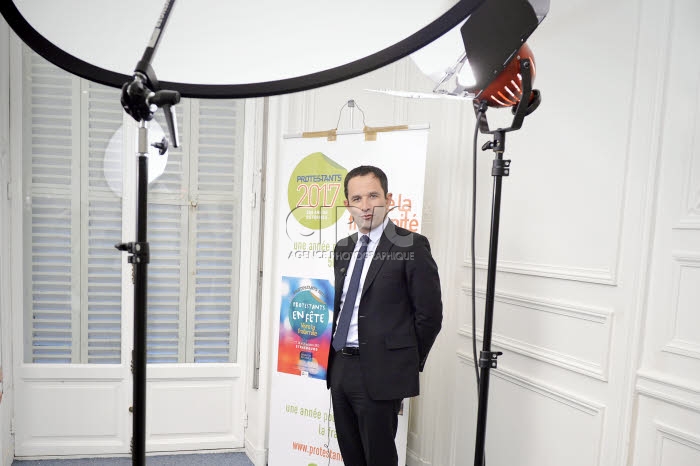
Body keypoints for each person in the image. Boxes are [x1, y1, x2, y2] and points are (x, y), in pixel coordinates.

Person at [326, 165, 443, 466]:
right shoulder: (343, 248)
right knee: (351, 455)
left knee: (379, 458)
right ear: (347, 205)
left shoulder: (412, 246)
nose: (365, 206)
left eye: (373, 196)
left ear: (388, 199)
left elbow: (429, 316)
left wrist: (402, 363)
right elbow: (342, 307)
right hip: (340, 367)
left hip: (380, 371)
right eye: (357, 198)